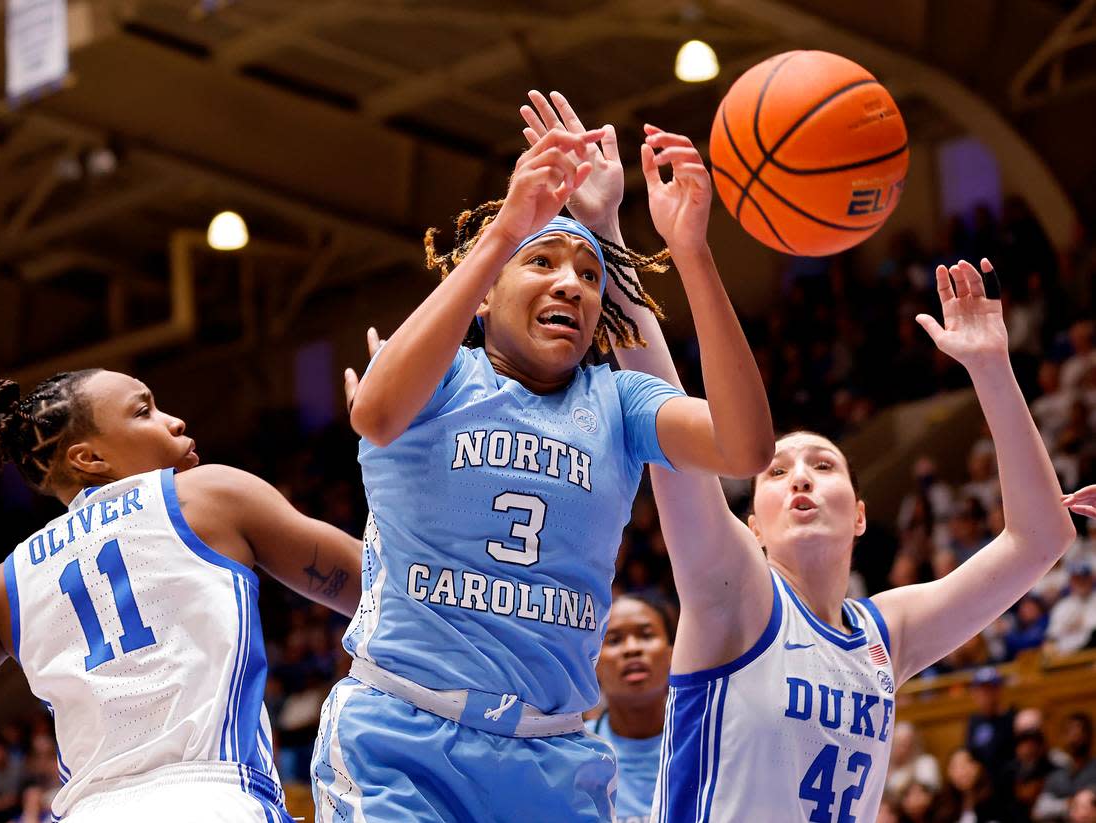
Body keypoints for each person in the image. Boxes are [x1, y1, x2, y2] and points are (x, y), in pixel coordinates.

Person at [515, 92, 1076, 823]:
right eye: (776, 471)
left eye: (824, 465)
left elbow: (1042, 538)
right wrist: (611, 231)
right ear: (751, 524)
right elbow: (666, 417)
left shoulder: (887, 633)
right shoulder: (735, 597)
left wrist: (993, 369)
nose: (802, 475)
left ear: (863, 515)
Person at [312, 112, 773, 821]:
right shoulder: (443, 375)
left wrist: (692, 253)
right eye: (542, 261)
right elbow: (372, 412)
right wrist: (505, 228)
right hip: (406, 736)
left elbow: (744, 447)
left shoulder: (617, 401)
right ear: (486, 290)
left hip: (554, 757)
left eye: (590, 275)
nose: (572, 285)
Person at [0, 370, 364, 822]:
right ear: (89, 457)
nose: (175, 422)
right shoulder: (209, 494)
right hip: (212, 800)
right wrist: (396, 442)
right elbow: (386, 591)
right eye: (144, 411)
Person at [590, 593, 675, 823]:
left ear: (672, 655)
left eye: (646, 635)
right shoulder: (573, 748)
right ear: (593, 664)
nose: (632, 649)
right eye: (615, 640)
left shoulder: (707, 742)